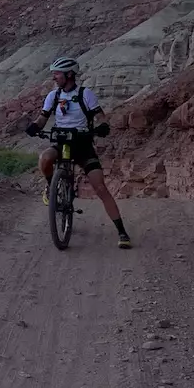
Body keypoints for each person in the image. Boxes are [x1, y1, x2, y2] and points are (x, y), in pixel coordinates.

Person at [25, 57, 133, 249]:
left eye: (57, 74)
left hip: (82, 145)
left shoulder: (86, 94)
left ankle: (122, 232)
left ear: (69, 75)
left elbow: (100, 116)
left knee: (100, 187)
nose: (54, 77)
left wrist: (103, 126)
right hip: (61, 142)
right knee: (44, 159)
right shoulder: (53, 96)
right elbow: (42, 118)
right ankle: (52, 188)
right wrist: (34, 126)